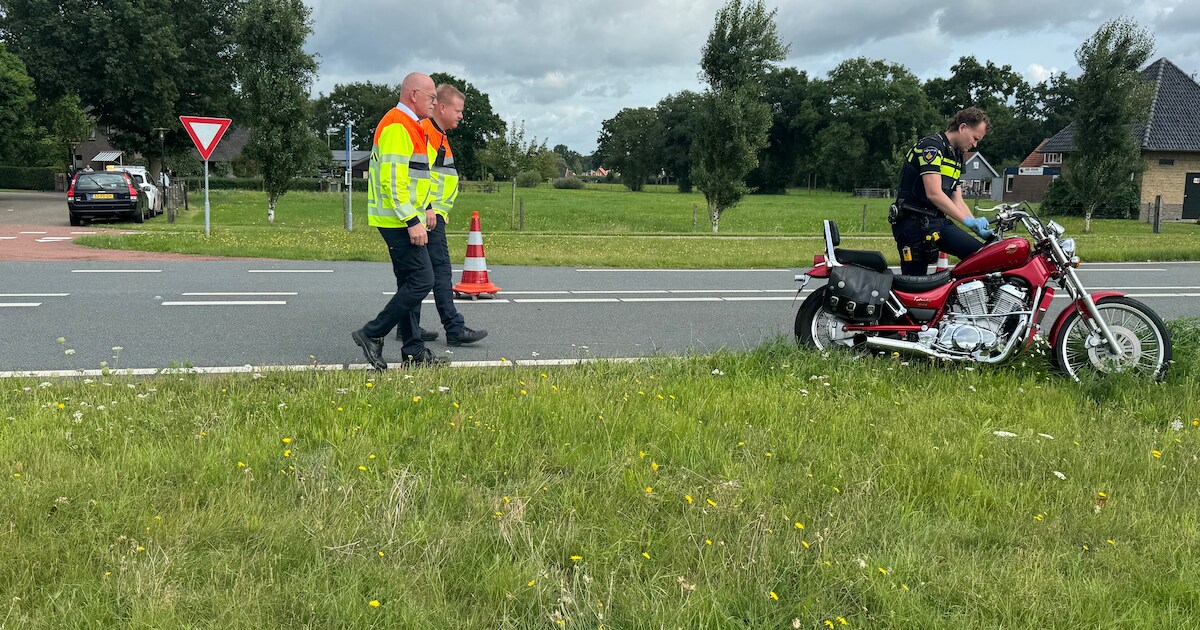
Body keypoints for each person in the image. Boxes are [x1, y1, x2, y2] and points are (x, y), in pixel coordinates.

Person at [351, 72, 444, 370]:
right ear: (413, 95)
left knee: (410, 282)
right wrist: (411, 221)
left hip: (403, 217)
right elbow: (393, 181)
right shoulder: (397, 124)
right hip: (397, 220)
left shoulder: (411, 125)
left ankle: (414, 351)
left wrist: (426, 206)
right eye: (431, 97)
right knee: (422, 280)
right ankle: (372, 333)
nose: (434, 103)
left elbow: (412, 176)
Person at [402, 83, 488, 347]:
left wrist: (440, 209)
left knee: (417, 274)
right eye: (458, 110)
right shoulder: (427, 133)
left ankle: (409, 327)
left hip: (432, 215)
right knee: (440, 272)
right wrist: (429, 207)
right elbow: (418, 175)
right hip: (426, 217)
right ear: (442, 107)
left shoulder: (438, 135)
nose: (461, 116)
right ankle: (454, 327)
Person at [890, 107, 995, 276]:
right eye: (975, 138)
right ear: (962, 127)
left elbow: (957, 199)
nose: (975, 144)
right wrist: (967, 221)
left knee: (981, 256)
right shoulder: (931, 148)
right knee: (916, 286)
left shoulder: (958, 156)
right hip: (913, 223)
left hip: (936, 221)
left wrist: (977, 228)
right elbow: (934, 193)